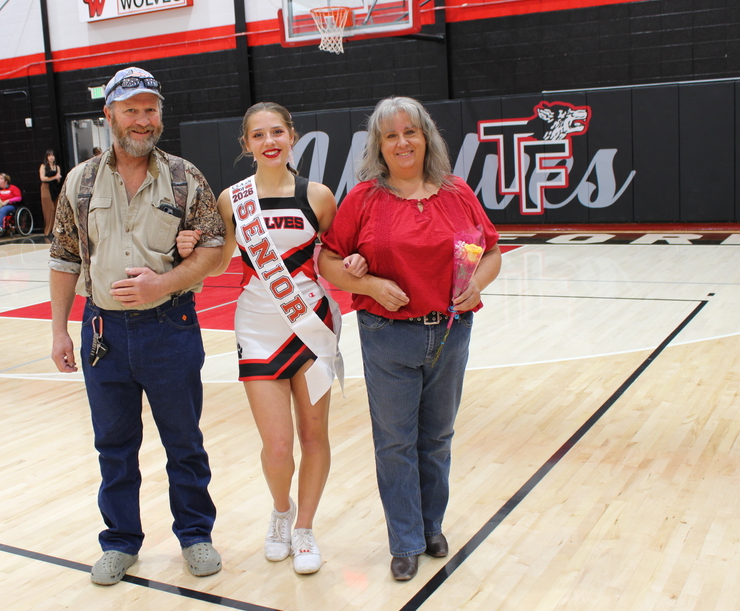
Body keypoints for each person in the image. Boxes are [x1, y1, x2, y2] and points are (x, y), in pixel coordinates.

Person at [49, 65, 225, 586]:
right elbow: (63, 256)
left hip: (170, 326)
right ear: (109, 115)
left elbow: (214, 250)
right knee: (114, 446)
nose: (142, 119)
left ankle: (195, 535)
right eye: (131, 109)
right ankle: (121, 543)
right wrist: (59, 330)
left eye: (150, 109)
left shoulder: (185, 176)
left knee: (183, 442)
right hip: (103, 333)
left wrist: (164, 284)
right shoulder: (80, 181)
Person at [318, 96, 502, 582]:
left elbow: (491, 253)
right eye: (391, 135)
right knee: (395, 442)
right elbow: (328, 262)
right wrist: (370, 284)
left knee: (437, 438)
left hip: (449, 332)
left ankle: (431, 525)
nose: (402, 142)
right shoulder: (362, 198)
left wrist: (477, 284)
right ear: (379, 145)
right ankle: (404, 539)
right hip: (387, 336)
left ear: (427, 138)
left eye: (410, 132)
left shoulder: (458, 192)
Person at [178, 102, 359, 575]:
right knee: (278, 446)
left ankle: (304, 528)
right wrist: (193, 251)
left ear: (292, 136)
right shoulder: (231, 199)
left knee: (313, 435)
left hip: (311, 327)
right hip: (257, 326)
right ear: (246, 144)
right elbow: (220, 263)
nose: (269, 141)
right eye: (258, 135)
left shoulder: (318, 196)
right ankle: (280, 512)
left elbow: (332, 259)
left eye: (277, 132)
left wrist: (356, 267)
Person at [39, 150, 63, 237]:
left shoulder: (57, 167)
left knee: (57, 209)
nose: (51, 157)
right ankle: (48, 230)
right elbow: (43, 178)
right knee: (49, 210)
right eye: (49, 156)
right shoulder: (43, 166)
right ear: (47, 157)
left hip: (55, 188)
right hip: (46, 188)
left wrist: (57, 178)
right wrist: (54, 177)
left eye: (52, 155)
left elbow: (58, 179)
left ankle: (55, 229)